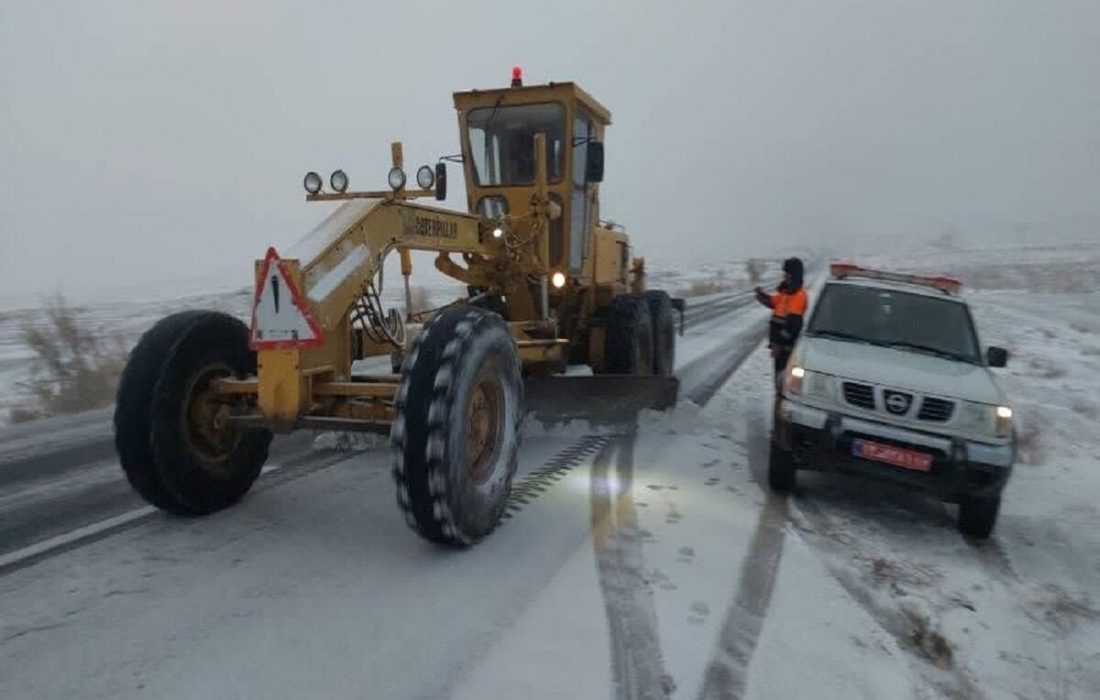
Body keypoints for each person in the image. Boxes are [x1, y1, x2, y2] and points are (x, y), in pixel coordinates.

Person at [755, 257, 808, 390]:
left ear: (793, 275)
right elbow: (773, 302)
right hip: (779, 348)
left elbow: (793, 327)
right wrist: (761, 295)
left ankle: (781, 406)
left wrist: (779, 344)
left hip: (786, 349)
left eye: (786, 273)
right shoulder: (785, 293)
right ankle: (778, 403)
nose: (783, 276)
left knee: (784, 383)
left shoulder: (798, 296)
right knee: (779, 380)